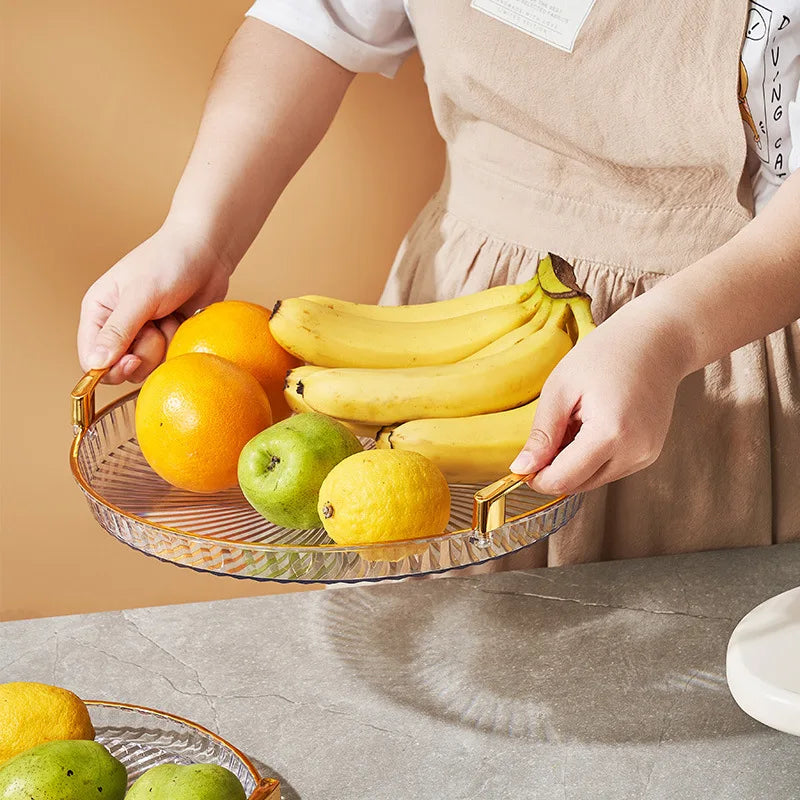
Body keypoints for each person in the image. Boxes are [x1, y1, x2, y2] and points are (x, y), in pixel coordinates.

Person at [78, 1, 800, 567]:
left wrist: (669, 333)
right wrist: (197, 233)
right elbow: (312, 20)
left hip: (724, 346)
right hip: (458, 317)